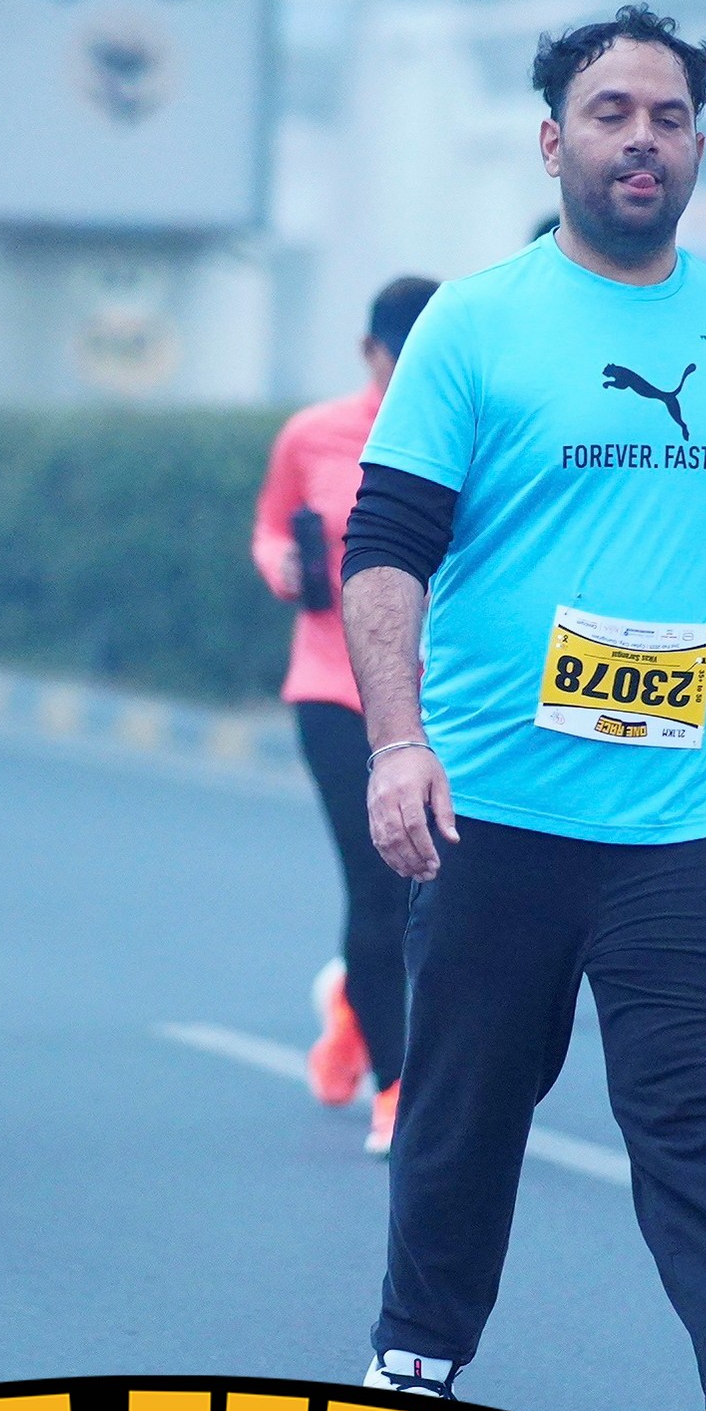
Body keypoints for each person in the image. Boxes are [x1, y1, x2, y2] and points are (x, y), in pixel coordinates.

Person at [339, 5, 706, 1411]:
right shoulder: (477, 323)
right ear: (552, 141)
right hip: (499, 810)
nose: (641, 138)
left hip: (684, 821)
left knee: (695, 1111)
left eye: (668, 116)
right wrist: (397, 743)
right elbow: (384, 544)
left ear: (697, 147)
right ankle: (413, 1373)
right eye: (610, 112)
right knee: (466, 1110)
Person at [252, 275, 441, 1157]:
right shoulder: (313, 434)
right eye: (402, 359)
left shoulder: (473, 430)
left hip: (450, 697)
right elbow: (269, 527)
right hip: (334, 686)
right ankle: (397, 1085)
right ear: (370, 353)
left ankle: (353, 1008)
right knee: (378, 883)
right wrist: (281, 566)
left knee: (440, 895)